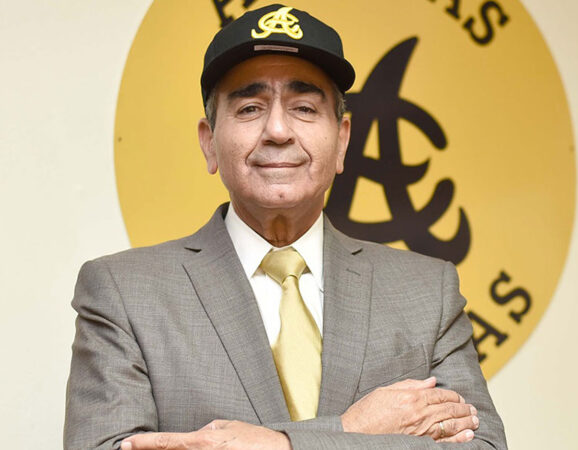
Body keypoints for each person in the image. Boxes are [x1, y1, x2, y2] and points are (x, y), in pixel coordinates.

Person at [64, 4, 507, 449]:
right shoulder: (124, 294)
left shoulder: (427, 293)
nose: (277, 130)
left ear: (342, 141)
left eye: (304, 108)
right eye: (250, 108)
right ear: (209, 142)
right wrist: (351, 432)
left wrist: (280, 444)